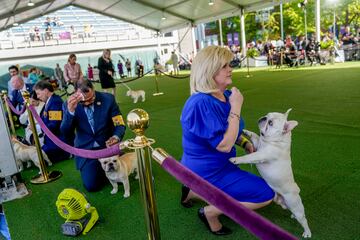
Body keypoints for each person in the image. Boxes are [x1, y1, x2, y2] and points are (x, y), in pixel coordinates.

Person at [180, 46, 274, 235]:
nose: (230, 69)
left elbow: (231, 131)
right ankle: (209, 212)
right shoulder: (200, 103)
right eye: (224, 66)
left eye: (229, 64)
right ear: (209, 70)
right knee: (266, 195)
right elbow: (223, 145)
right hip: (206, 170)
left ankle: (191, 191)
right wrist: (236, 108)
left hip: (223, 165)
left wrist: (246, 144)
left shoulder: (225, 96)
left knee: (258, 188)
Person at [61, 80, 126, 192]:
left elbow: (119, 124)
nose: (87, 103)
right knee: (92, 186)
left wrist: (116, 137)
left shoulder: (108, 99)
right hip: (86, 150)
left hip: (107, 147)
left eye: (91, 99)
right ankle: (99, 169)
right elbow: (65, 132)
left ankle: (115, 158)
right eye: (83, 101)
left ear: (94, 89)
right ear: (75, 93)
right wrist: (70, 111)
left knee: (121, 176)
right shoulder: (67, 104)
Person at [33, 80, 69, 162]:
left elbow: (54, 125)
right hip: (52, 140)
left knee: (37, 156)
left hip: (58, 142)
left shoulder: (55, 102)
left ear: (46, 91)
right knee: (33, 154)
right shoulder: (50, 101)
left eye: (38, 93)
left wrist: (38, 127)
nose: (37, 97)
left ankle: (67, 153)